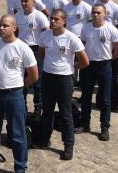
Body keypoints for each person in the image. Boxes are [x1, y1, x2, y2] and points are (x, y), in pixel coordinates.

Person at [0, 15, 38, 173]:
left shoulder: (22, 48)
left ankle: (20, 168)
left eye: (5, 26)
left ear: (14, 28)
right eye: (0, 25)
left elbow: (33, 74)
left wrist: (18, 86)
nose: (1, 28)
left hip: (15, 95)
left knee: (18, 132)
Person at [37, 10, 89, 160]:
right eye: (51, 19)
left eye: (56, 19)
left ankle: (68, 144)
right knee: (47, 110)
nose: (53, 21)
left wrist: (71, 68)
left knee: (66, 113)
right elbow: (41, 53)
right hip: (48, 77)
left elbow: (85, 61)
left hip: (64, 79)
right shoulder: (45, 36)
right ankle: (45, 139)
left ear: (64, 21)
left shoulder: (72, 38)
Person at [79, 4, 118, 141]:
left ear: (105, 14)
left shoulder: (111, 29)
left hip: (104, 65)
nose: (95, 15)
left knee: (105, 99)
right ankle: (85, 124)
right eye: (93, 12)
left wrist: (107, 59)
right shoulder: (86, 28)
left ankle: (104, 127)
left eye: (98, 12)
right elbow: (82, 45)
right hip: (88, 66)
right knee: (86, 97)